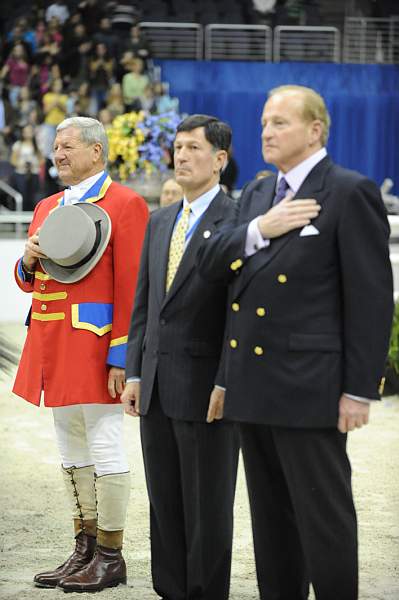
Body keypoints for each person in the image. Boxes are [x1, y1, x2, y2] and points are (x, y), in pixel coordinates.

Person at [197, 85, 393, 600]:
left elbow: (371, 300)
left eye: (280, 122)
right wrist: (259, 227)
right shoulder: (261, 193)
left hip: (311, 389)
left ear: (315, 130)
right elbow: (214, 265)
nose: (266, 131)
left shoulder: (349, 191)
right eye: (264, 122)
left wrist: (358, 389)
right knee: (271, 522)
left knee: (323, 519)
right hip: (255, 387)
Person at [13, 116, 149, 593]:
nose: (59, 154)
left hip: (96, 344)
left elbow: (133, 284)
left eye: (68, 146)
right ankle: (84, 548)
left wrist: (122, 356)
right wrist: (26, 262)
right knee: (71, 448)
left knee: (106, 444)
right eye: (56, 147)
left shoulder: (126, 203)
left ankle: (111, 555)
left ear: (97, 151)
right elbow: (31, 278)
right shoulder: (47, 205)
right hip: (52, 342)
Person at [121, 114, 240, 600]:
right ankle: (169, 589)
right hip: (154, 385)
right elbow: (144, 304)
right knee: (164, 503)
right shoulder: (161, 219)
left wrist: (227, 380)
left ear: (220, 160)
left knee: (208, 506)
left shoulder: (237, 222)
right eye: (178, 146)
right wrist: (133, 371)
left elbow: (241, 316)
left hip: (206, 388)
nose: (182, 155)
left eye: (194, 147)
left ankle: (205, 592)